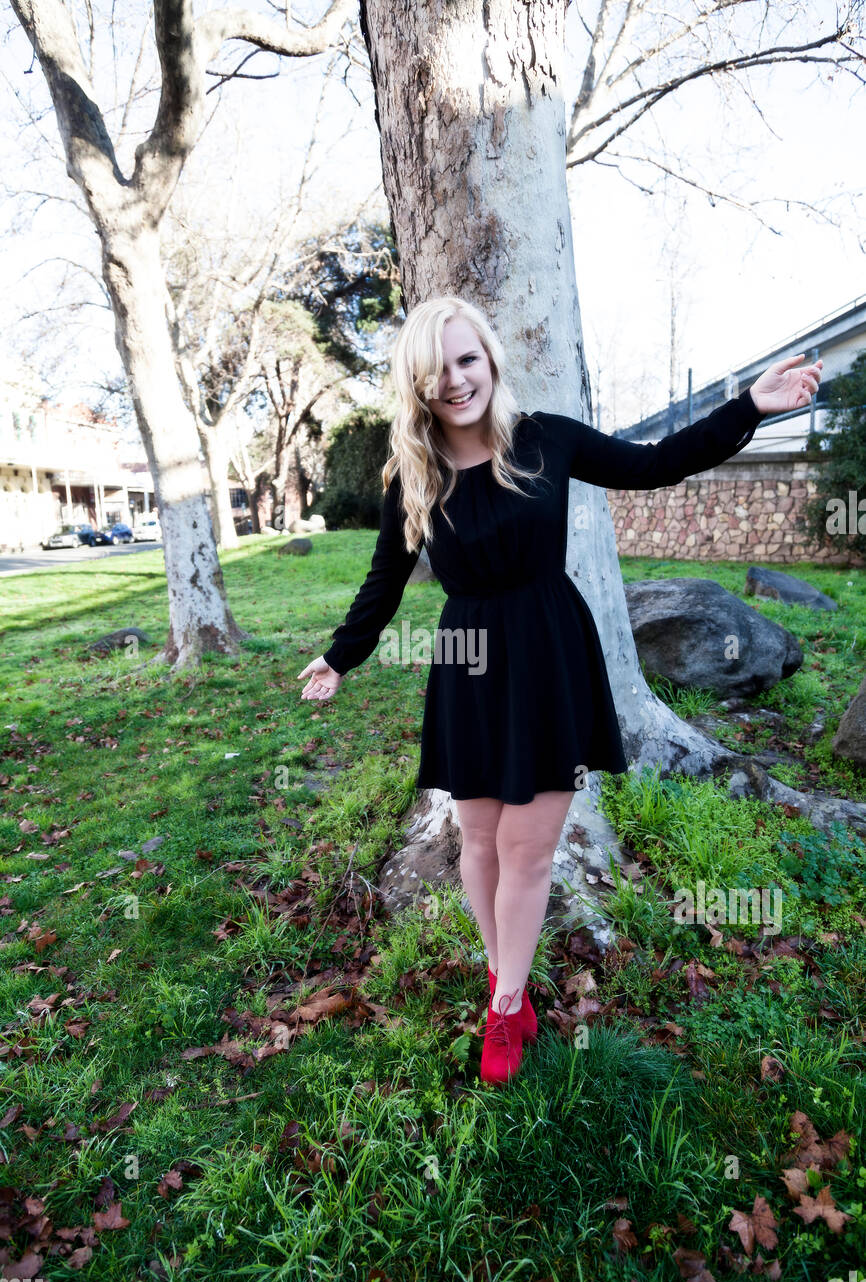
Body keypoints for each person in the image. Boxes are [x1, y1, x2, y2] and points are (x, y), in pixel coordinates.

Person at [297, 295, 823, 1085]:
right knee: (475, 841)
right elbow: (386, 578)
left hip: (548, 655)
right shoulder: (415, 472)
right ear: (418, 383)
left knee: (526, 846)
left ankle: (506, 1009)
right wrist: (341, 657)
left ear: (490, 361)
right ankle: (503, 972)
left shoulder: (544, 439)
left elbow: (656, 464)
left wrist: (748, 405)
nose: (456, 380)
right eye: (437, 369)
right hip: (468, 664)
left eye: (467, 359)